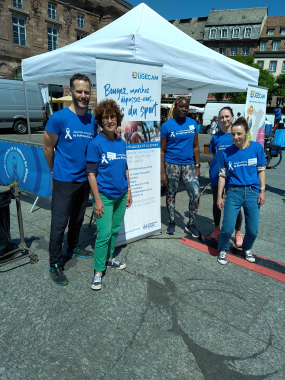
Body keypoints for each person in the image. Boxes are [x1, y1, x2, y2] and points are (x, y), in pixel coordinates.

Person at [43, 73, 98, 286]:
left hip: (84, 180)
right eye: (79, 91)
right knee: (59, 223)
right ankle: (54, 263)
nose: (83, 95)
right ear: (71, 91)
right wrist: (54, 170)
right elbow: (48, 148)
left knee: (77, 219)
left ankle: (73, 245)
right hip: (64, 180)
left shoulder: (92, 120)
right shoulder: (59, 118)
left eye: (86, 91)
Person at [86, 99, 132, 290]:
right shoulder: (96, 144)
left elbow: (125, 168)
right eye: (106, 117)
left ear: (117, 119)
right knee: (103, 234)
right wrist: (97, 199)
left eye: (113, 117)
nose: (110, 120)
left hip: (121, 194)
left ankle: (109, 258)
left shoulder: (121, 143)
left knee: (114, 230)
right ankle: (98, 272)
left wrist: (129, 190)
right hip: (104, 196)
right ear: (100, 120)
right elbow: (91, 174)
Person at [217, 119, 266, 265]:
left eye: (239, 134)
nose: (236, 137)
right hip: (234, 192)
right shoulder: (226, 152)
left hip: (252, 192)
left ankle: (246, 248)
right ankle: (223, 249)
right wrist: (219, 196)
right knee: (227, 228)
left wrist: (262, 190)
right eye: (233, 134)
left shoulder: (257, 148)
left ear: (247, 133)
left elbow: (261, 170)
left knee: (252, 230)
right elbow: (222, 176)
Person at [161, 97, 200, 237]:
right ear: (175, 107)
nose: (184, 109)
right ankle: (171, 221)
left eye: (186, 107)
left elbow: (196, 147)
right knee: (171, 193)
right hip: (171, 164)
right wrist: (162, 172)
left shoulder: (192, 123)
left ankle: (191, 223)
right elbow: (162, 150)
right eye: (181, 106)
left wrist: (197, 165)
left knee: (196, 193)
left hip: (189, 164)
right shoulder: (166, 126)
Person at [209, 107, 243, 247]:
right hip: (216, 176)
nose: (224, 119)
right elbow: (213, 155)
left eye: (227, 116)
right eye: (222, 117)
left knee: (235, 205)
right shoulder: (215, 137)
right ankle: (217, 228)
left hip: (233, 177)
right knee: (217, 203)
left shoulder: (237, 136)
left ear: (233, 117)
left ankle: (238, 232)